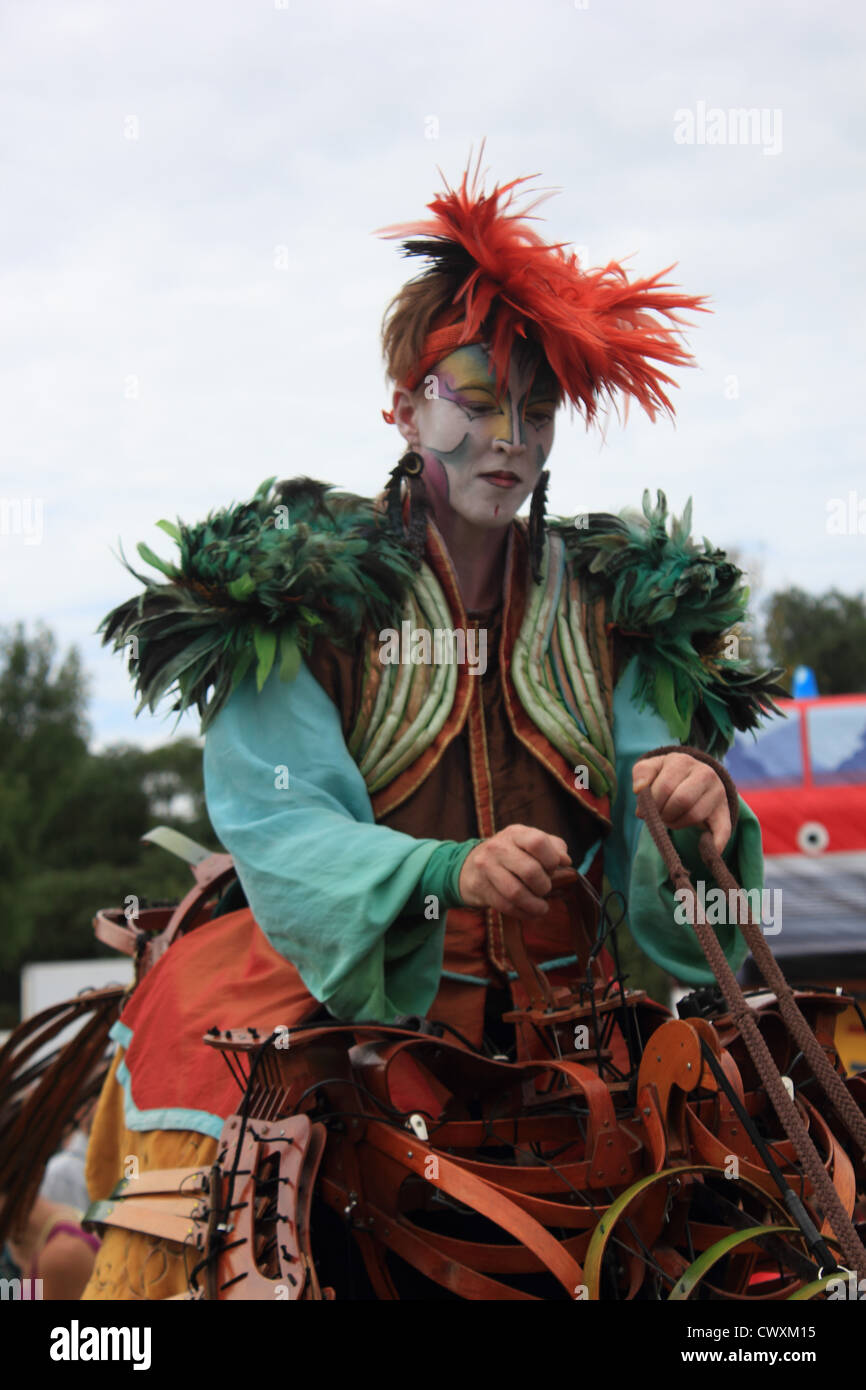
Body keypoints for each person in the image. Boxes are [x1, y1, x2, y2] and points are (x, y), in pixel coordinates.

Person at [81, 153, 782, 1300]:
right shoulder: (300, 601)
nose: (508, 434)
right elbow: (281, 810)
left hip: (574, 994)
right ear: (405, 410)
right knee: (210, 1162)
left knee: (767, 1179)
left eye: (537, 410)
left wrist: (687, 802)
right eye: (477, 399)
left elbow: (667, 811)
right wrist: (443, 871)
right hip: (339, 969)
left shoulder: (616, 606)